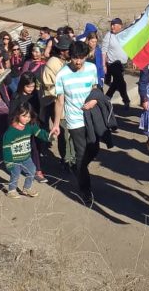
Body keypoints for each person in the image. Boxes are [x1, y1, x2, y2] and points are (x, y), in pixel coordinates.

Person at [52, 41, 101, 204]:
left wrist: (94, 100)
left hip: (91, 118)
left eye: (81, 58)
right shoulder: (62, 75)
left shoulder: (92, 69)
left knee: (93, 149)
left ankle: (79, 167)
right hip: (74, 120)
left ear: (86, 56)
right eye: (74, 58)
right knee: (81, 154)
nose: (78, 62)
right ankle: (85, 191)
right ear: (69, 57)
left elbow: (95, 88)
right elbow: (60, 101)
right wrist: (56, 124)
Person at [3, 104, 58, 198]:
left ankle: (26, 188)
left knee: (32, 170)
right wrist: (8, 162)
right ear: (17, 115)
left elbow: (39, 133)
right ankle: (11, 190)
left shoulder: (30, 126)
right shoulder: (11, 131)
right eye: (24, 116)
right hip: (14, 159)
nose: (27, 119)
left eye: (29, 116)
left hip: (26, 157)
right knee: (15, 174)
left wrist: (50, 136)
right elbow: (6, 148)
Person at [9, 73, 48, 183]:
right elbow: (12, 114)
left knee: (37, 147)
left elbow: (40, 108)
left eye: (33, 86)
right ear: (22, 85)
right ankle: (38, 171)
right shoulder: (16, 97)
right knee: (32, 147)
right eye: (28, 86)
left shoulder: (35, 94)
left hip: (35, 124)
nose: (31, 89)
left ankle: (33, 167)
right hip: (23, 127)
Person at [42, 36, 74, 171]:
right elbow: (49, 86)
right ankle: (66, 160)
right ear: (62, 51)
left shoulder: (68, 61)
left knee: (73, 133)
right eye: (69, 50)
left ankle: (73, 158)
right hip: (58, 104)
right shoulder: (53, 63)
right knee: (64, 135)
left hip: (71, 104)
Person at [102, 18, 131, 108]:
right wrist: (103, 65)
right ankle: (126, 100)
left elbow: (130, 47)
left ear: (120, 26)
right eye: (111, 25)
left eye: (114, 25)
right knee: (121, 81)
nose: (112, 26)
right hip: (112, 64)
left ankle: (107, 98)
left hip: (123, 64)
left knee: (116, 82)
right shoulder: (108, 36)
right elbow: (104, 51)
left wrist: (133, 60)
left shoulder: (125, 35)